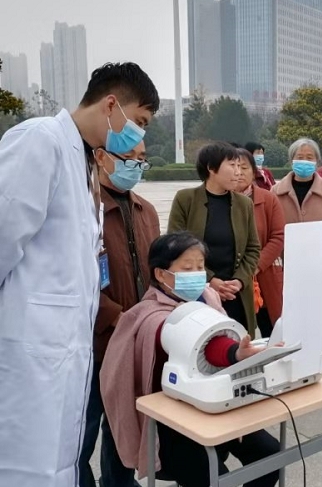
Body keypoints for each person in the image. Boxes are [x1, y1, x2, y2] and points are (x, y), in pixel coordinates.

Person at [0, 62, 158, 487]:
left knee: (58, 462)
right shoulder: (41, 141)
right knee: (24, 465)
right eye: (139, 121)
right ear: (111, 104)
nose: (139, 136)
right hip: (29, 349)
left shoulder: (84, 162)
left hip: (63, 351)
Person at [100, 232, 279, 487]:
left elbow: (219, 334)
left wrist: (241, 354)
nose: (196, 274)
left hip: (216, 405)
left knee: (271, 454)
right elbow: (198, 342)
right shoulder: (150, 317)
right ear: (161, 274)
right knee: (215, 478)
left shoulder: (209, 298)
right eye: (186, 268)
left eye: (200, 266)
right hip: (169, 425)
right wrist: (233, 353)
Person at [79, 141, 159, 487]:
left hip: (133, 343)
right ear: (101, 157)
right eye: (128, 158)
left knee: (122, 429)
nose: (136, 166)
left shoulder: (146, 211)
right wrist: (113, 316)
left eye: (142, 159)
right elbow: (73, 278)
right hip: (94, 343)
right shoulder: (83, 210)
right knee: (81, 434)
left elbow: (156, 272)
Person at [272, 138, 322, 373]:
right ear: (291, 160)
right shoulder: (276, 192)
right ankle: (294, 362)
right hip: (288, 269)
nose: (304, 162)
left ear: (317, 161)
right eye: (299, 157)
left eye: (309, 158)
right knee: (292, 316)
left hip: (320, 269)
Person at [168, 142, 261, 336]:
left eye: (240, 166)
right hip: (199, 292)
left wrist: (239, 281)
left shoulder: (244, 204)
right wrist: (211, 280)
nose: (238, 172)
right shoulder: (186, 199)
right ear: (211, 168)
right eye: (232, 165)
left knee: (238, 344)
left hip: (235, 294)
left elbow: (253, 248)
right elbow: (175, 246)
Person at [236, 148, 285, 338]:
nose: (239, 172)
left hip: (264, 273)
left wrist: (255, 266)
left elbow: (278, 236)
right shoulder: (220, 201)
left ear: (254, 172)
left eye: (244, 167)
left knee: (271, 331)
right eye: (234, 167)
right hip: (232, 279)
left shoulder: (268, 199)